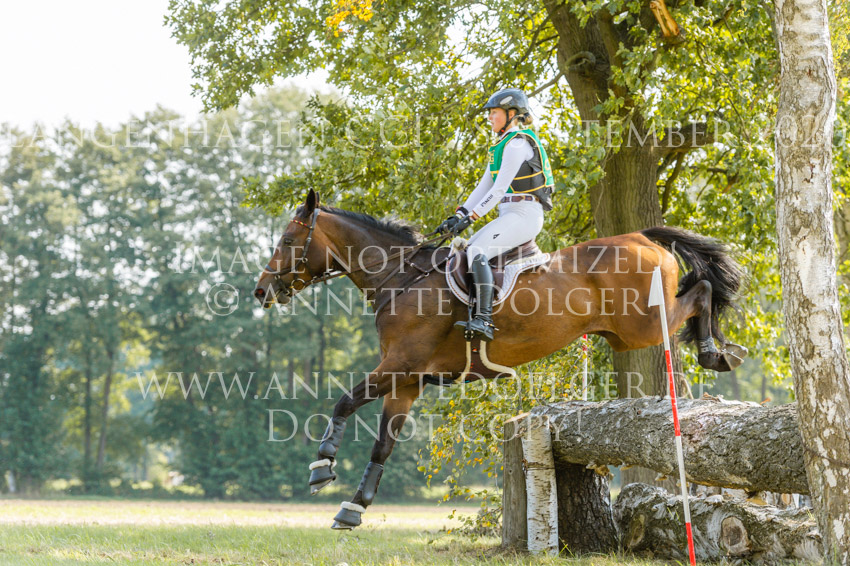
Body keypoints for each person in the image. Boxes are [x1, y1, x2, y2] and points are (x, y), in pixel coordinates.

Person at [435, 88, 554, 341]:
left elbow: (499, 190)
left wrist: (471, 218)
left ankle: (485, 320)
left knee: (478, 251)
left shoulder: (518, 144)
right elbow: (484, 186)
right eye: (489, 113)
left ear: (512, 114)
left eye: (494, 112)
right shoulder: (499, 146)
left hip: (525, 213)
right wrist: (459, 214)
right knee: (467, 251)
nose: (489, 117)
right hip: (510, 213)